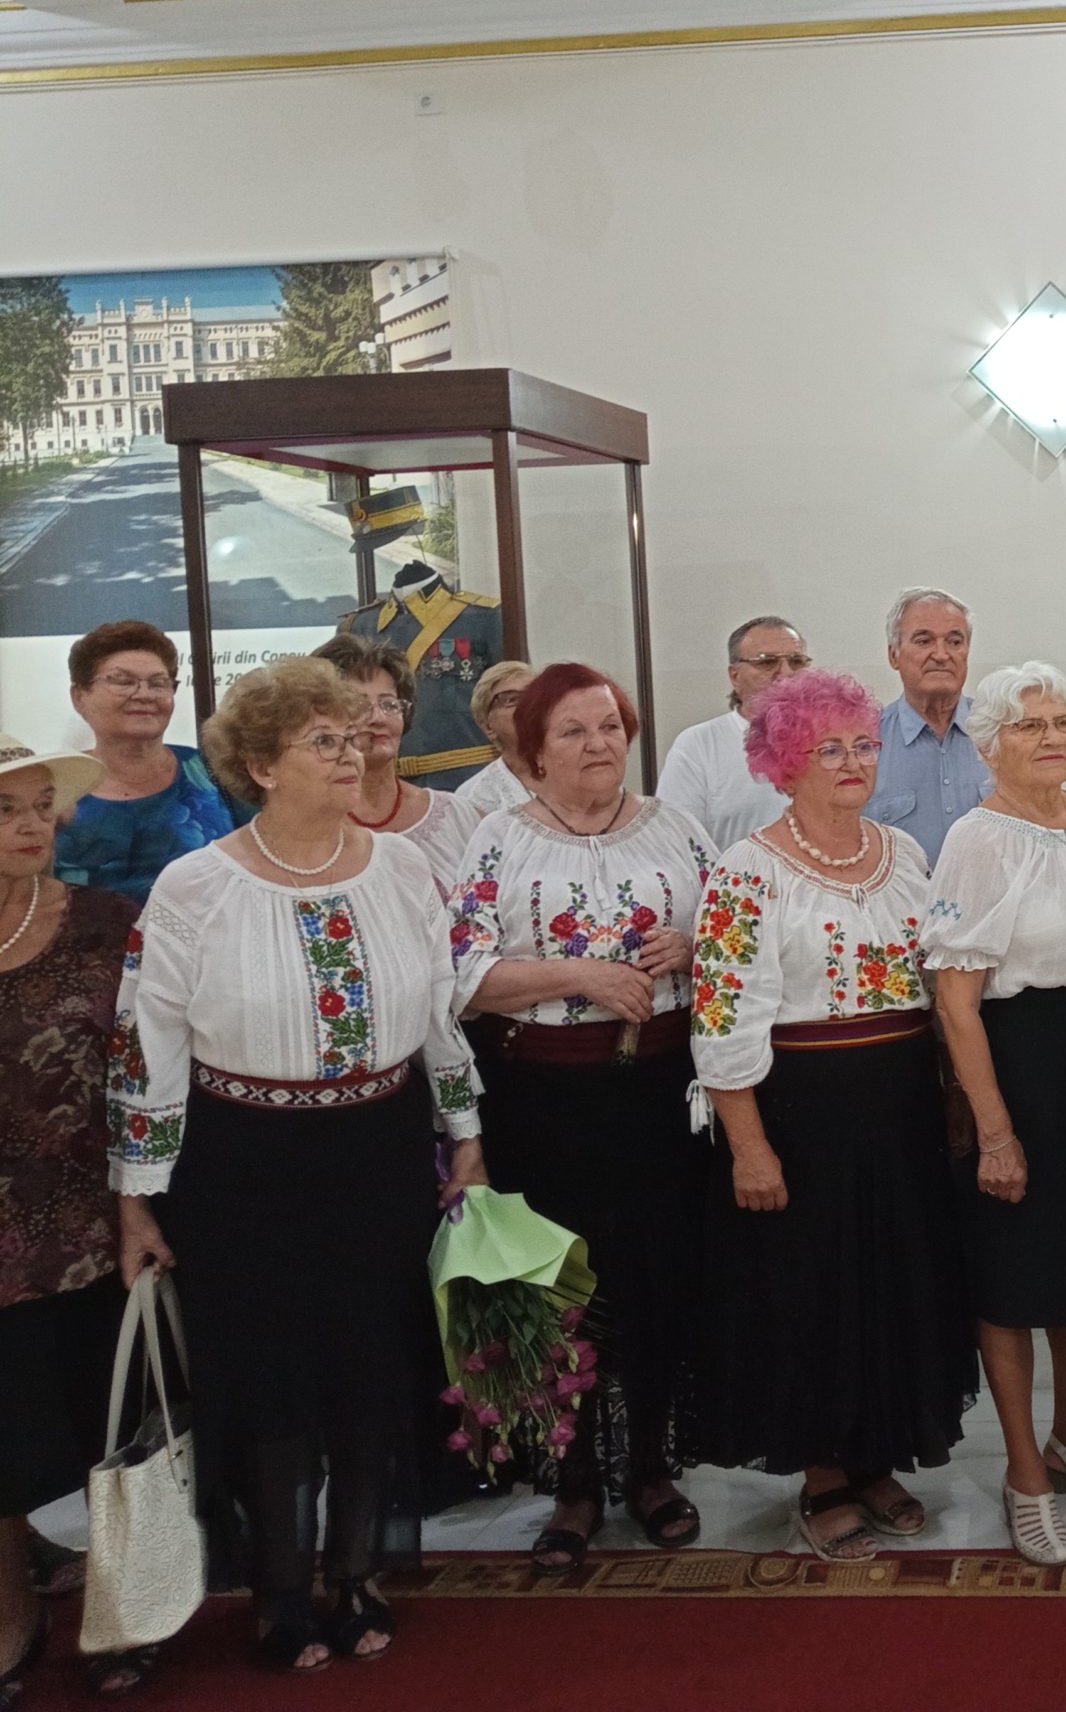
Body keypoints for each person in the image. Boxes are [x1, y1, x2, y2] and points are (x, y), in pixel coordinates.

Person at [109, 660, 486, 1674]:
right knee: (269, 1380)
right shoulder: (196, 885)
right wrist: (138, 1195)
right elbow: (148, 1042)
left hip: (379, 1149)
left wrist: (466, 1133)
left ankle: (355, 1571)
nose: (352, 751)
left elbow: (439, 1009)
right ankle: (280, 1590)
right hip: (243, 1163)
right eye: (324, 740)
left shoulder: (402, 868)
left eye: (355, 733)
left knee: (369, 1367)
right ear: (263, 766)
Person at [690, 670, 975, 1561]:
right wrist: (749, 1146)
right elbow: (722, 1018)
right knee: (810, 1293)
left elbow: (939, 986)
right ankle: (822, 1474)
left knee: (896, 1282)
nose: (853, 761)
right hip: (800, 1109)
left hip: (899, 1103)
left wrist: (958, 1100)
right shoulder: (746, 871)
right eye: (828, 748)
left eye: (862, 744)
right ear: (785, 762)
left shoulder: (905, 854)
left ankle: (877, 1454)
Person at [450, 664, 717, 1573]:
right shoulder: (500, 838)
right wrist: (579, 975)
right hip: (545, 1103)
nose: (599, 743)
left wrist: (693, 946)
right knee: (562, 1292)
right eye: (572, 731)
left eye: (609, 726)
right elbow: (462, 977)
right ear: (532, 752)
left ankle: (651, 1470)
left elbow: (736, 942)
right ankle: (572, 1485)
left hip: (661, 1097)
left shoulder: (676, 828)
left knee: (656, 1283)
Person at [924, 665, 1066, 1566]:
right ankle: (1025, 1472)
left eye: (1063, 720)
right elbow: (955, 1003)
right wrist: (995, 1132)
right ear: (990, 745)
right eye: (1030, 726)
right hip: (1018, 1065)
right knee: (1014, 1274)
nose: (1054, 737)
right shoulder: (978, 838)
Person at [0, 738, 143, 1701]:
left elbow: (144, 1072)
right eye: (7, 809)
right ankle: (13, 1612)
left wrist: (141, 1205)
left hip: (90, 1222)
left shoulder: (103, 922)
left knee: (111, 1423)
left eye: (42, 805)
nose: (31, 825)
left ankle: (126, 1608)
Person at [51, 621, 242, 902]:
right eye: (123, 681)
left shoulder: (215, 770)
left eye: (158, 683)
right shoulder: (50, 789)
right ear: (79, 696)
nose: (144, 694)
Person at [312, 634, 478, 887]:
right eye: (359, 705)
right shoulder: (308, 828)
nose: (378, 718)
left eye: (389, 704)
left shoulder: (457, 817)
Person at [658, 615, 810, 850]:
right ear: (734, 675)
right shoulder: (699, 745)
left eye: (796, 661)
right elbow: (676, 843)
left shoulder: (831, 741)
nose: (785, 674)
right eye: (767, 662)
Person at [868, 589, 989, 865]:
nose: (941, 655)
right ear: (893, 655)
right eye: (924, 641)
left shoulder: (1002, 734)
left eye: (955, 641)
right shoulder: (864, 744)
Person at [453, 659, 537, 825]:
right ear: (488, 727)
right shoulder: (472, 797)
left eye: (535, 695)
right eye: (512, 699)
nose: (529, 705)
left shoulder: (578, 770)